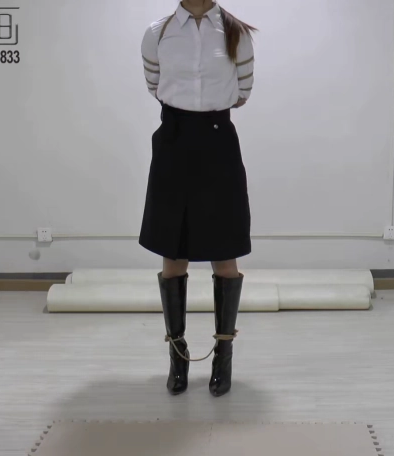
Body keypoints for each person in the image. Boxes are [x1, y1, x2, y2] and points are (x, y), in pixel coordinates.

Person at [139, 0, 257, 397]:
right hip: (173, 141)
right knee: (173, 252)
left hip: (218, 142)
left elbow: (243, 91)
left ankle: (223, 356)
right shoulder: (157, 32)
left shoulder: (236, 32)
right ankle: (178, 356)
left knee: (225, 252)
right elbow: (154, 84)